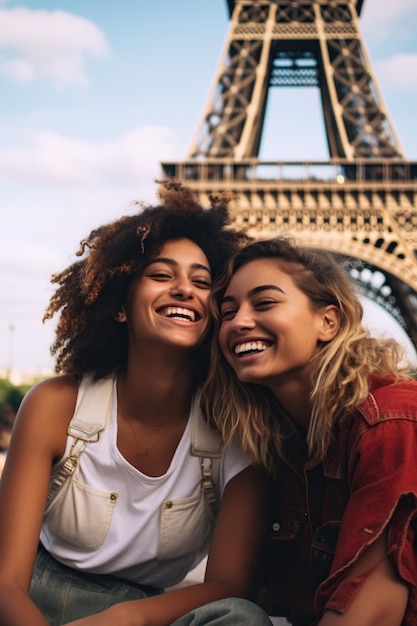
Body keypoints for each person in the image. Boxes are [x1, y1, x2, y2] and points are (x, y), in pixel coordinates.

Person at [0, 183, 273, 626]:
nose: (185, 289)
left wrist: (127, 618)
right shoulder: (55, 406)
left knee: (241, 617)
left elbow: (227, 586)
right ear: (121, 306)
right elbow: (6, 581)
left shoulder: (236, 432)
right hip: (33, 601)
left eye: (202, 282)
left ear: (216, 314)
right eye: (162, 275)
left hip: (153, 613)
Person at [203, 235, 417, 626]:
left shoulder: (391, 422)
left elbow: (369, 612)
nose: (239, 322)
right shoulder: (279, 445)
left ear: (328, 321)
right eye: (227, 312)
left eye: (265, 302)